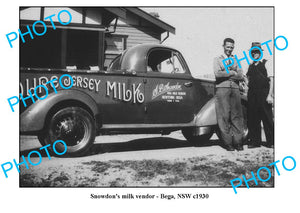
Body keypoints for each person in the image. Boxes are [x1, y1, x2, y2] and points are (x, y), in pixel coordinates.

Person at [213, 38, 244, 151]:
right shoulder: (217, 59)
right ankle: (228, 143)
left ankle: (238, 142)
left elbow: (240, 75)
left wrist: (226, 73)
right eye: (228, 47)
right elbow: (217, 73)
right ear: (223, 46)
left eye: (231, 47)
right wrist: (232, 72)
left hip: (235, 89)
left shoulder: (236, 59)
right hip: (222, 89)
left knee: (237, 116)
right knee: (224, 116)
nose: (229, 49)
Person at [246, 42, 274, 148]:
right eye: (253, 52)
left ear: (261, 52)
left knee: (267, 118)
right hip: (252, 94)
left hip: (264, 93)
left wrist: (270, 95)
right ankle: (255, 142)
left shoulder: (267, 63)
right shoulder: (250, 65)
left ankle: (271, 142)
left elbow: (272, 80)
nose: (255, 54)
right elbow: (247, 79)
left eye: (257, 51)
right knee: (253, 118)